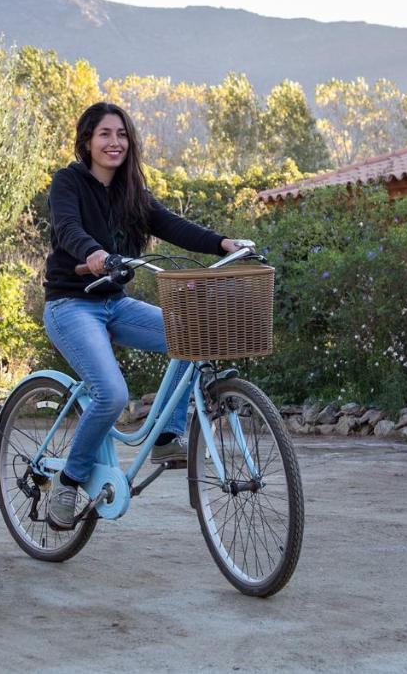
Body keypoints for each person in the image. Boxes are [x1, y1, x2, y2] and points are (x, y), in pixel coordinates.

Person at [42, 101, 243, 530]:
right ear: (87, 141)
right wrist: (93, 254)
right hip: (71, 304)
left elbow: (172, 225)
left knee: (195, 334)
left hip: (115, 303)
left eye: (122, 134)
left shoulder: (131, 192)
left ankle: (167, 437)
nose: (115, 142)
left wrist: (224, 243)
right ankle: (69, 479)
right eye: (105, 134)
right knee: (111, 395)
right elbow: (67, 227)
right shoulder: (68, 182)